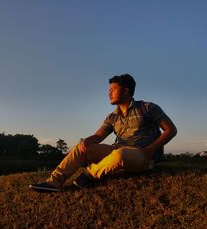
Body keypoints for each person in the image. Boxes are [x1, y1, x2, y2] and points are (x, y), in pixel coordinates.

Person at [29, 74, 177, 192]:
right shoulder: (112, 116)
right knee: (80, 148)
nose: (109, 93)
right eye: (108, 90)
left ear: (126, 90)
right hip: (117, 151)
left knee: (120, 154)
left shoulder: (147, 108)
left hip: (142, 154)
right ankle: (53, 182)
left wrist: (150, 150)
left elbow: (171, 130)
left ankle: (88, 175)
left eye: (113, 90)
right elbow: (99, 136)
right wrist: (86, 141)